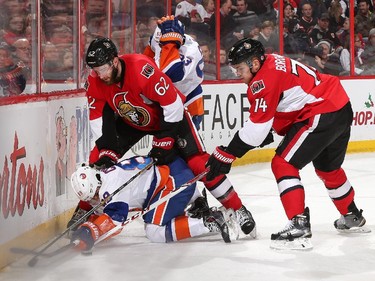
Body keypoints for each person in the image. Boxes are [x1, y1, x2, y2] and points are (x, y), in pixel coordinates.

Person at [83, 33, 256, 237]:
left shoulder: (141, 68)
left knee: (199, 164)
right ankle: (85, 211)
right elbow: (99, 119)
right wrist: (107, 150)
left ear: (114, 61)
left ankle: (238, 209)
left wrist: (164, 139)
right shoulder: (96, 81)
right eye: (95, 70)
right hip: (133, 121)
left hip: (169, 118)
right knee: (98, 158)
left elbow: (172, 103)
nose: (100, 75)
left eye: (102, 69)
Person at [205, 38, 369, 250]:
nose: (237, 73)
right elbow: (291, 97)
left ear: (255, 64)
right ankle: (352, 215)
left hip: (320, 111)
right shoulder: (272, 61)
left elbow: (255, 130)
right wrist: (271, 128)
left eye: (240, 68)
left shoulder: (260, 82)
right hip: (339, 106)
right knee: (329, 169)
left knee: (283, 164)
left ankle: (298, 225)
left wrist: (227, 153)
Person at [70, 156, 239, 252]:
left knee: (154, 231)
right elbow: (107, 215)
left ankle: (211, 221)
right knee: (152, 216)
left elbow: (115, 221)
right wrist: (87, 228)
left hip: (174, 181)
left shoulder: (111, 187)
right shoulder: (105, 177)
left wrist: (90, 231)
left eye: (93, 196)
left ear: (96, 185)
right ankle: (197, 202)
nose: (94, 201)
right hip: (173, 172)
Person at [143, 16, 204, 129]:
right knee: (163, 140)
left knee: (186, 143)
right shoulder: (158, 39)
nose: (160, 45)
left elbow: (172, 73)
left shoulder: (191, 50)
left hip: (189, 100)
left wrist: (169, 42)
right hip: (166, 97)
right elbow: (145, 63)